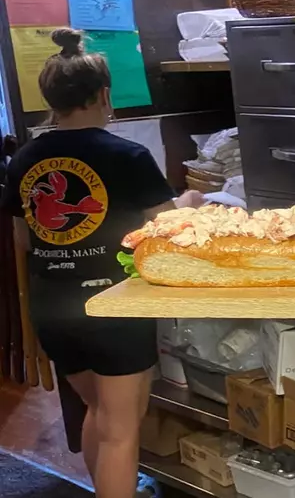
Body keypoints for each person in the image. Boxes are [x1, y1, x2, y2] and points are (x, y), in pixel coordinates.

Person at [0, 28, 203, 498]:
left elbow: (24, 239)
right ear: (104, 94)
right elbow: (166, 230)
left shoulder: (25, 158)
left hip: (52, 307)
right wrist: (190, 200)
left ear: (50, 96)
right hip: (112, 307)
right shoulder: (127, 154)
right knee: (121, 428)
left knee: (97, 412)